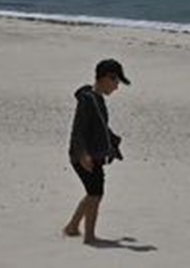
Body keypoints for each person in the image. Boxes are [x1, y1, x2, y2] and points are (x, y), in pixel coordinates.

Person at [63, 58, 130, 244]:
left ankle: (72, 227)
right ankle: (89, 236)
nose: (116, 87)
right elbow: (79, 129)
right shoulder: (88, 100)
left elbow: (99, 126)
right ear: (106, 77)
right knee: (95, 194)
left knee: (93, 193)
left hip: (94, 156)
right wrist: (82, 154)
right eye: (116, 81)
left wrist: (112, 140)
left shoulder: (97, 99)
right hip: (84, 156)